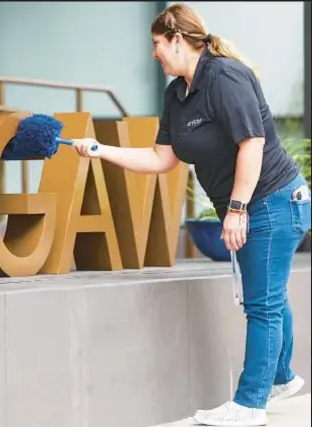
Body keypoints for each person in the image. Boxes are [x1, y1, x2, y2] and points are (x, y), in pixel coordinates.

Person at [71, 3, 311, 427]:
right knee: (267, 297)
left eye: (157, 44)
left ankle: (250, 404)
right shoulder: (176, 94)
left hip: (273, 200)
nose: (153, 54)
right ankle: (282, 378)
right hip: (250, 204)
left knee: (262, 304)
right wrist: (100, 150)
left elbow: (251, 145)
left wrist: (236, 209)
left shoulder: (225, 77)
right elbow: (160, 158)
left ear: (177, 39)